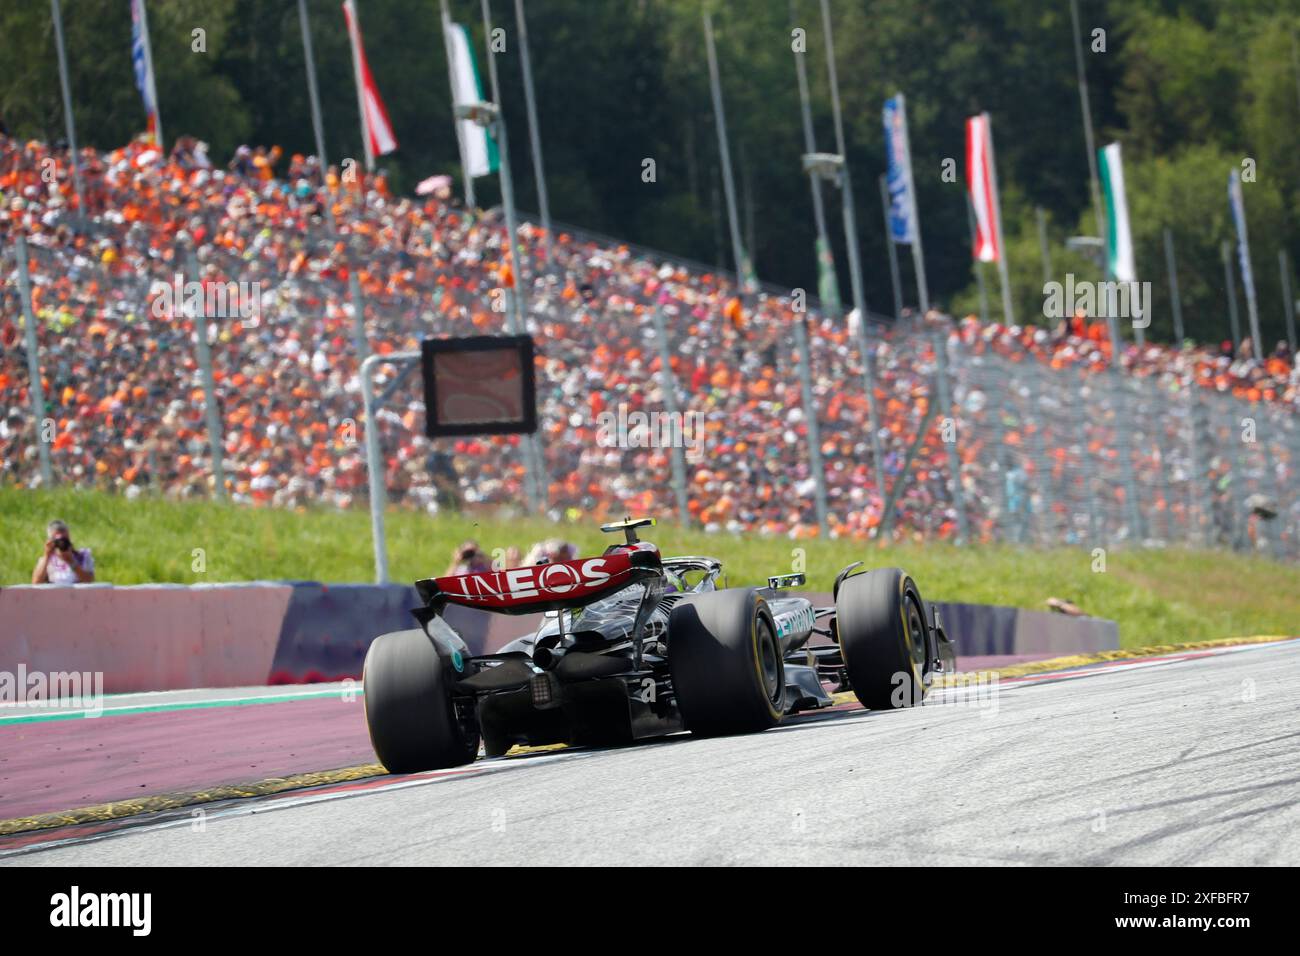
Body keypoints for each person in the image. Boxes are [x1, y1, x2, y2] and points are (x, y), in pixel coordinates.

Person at [32, 519, 95, 584]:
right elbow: (36, 583)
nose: (62, 543)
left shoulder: (83, 556)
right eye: (58, 541)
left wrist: (71, 561)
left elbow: (89, 581)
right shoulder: (47, 560)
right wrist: (47, 556)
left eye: (65, 540)